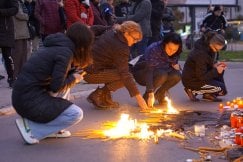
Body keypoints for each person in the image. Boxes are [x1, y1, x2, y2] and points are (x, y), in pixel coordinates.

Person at [12, 22, 93, 144]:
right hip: (28, 100)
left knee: (67, 84)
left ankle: (54, 129)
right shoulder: (65, 53)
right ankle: (32, 129)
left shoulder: (58, 46)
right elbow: (56, 87)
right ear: (81, 43)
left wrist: (71, 75)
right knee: (76, 114)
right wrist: (75, 78)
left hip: (22, 96)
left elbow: (55, 82)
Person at [84, 21, 149, 111]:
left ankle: (104, 96)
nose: (135, 42)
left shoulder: (113, 30)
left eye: (137, 40)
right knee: (125, 77)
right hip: (90, 73)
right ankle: (98, 94)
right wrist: (139, 98)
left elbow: (93, 29)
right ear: (126, 33)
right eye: (134, 39)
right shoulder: (121, 47)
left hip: (89, 66)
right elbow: (125, 74)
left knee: (123, 70)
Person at [132, 32, 182, 107]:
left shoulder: (176, 52)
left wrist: (175, 66)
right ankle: (147, 97)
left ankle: (160, 95)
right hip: (142, 72)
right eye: (169, 48)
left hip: (161, 71)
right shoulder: (154, 49)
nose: (171, 52)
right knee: (162, 74)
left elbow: (173, 64)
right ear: (164, 43)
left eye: (174, 50)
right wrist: (150, 93)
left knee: (177, 75)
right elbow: (149, 71)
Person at [182, 31, 227, 102]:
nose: (217, 51)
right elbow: (201, 76)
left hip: (199, 76)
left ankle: (208, 94)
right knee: (220, 89)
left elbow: (207, 65)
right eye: (216, 49)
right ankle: (192, 90)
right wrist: (216, 70)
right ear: (211, 44)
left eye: (219, 50)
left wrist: (215, 65)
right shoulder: (201, 54)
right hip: (192, 80)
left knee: (222, 89)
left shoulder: (209, 48)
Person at [0, 0, 19, 87]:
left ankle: (11, 78)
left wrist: (1, 11)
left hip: (5, 29)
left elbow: (15, 9)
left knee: (7, 56)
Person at [12, 0, 31, 79]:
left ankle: (23, 73)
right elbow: (19, 14)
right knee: (18, 54)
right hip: (18, 31)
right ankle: (16, 74)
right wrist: (27, 16)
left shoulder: (21, 3)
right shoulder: (15, 2)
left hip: (23, 31)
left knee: (24, 53)